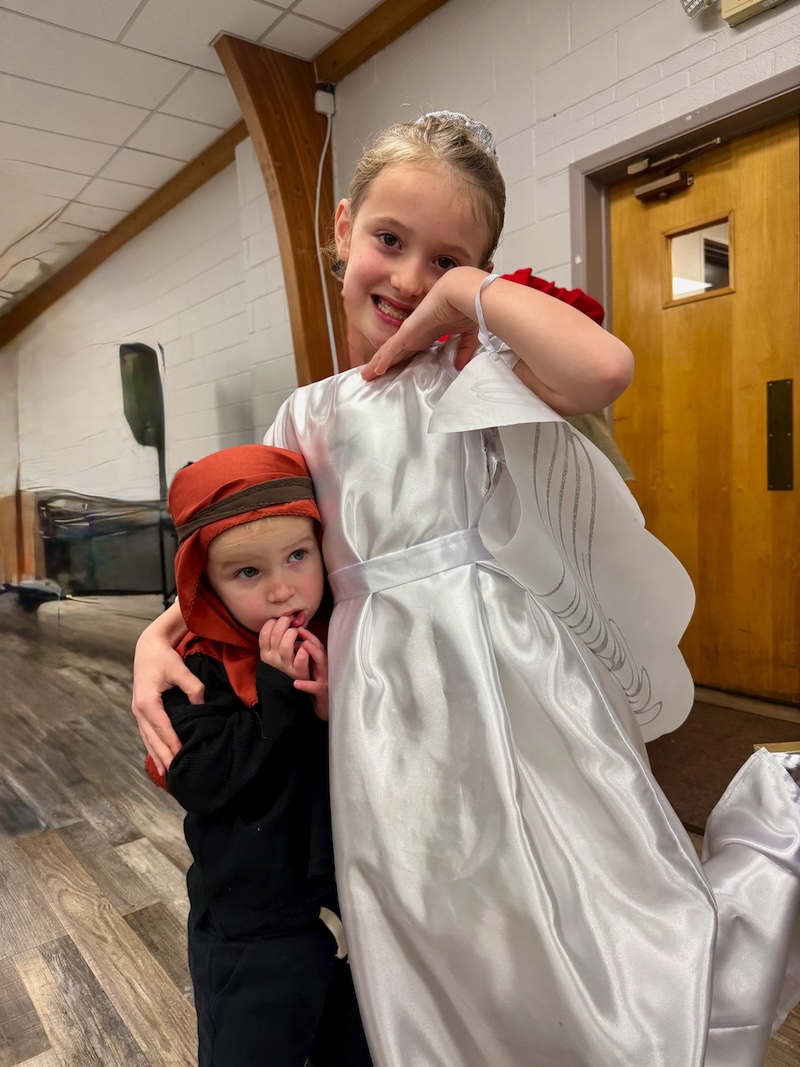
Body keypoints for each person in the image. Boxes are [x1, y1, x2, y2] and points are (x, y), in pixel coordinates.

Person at [133, 112, 800, 1066]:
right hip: (380, 701)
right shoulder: (307, 409)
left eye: (444, 258)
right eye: (388, 241)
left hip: (507, 680)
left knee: (572, 895)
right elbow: (260, 556)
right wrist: (159, 633)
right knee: (425, 912)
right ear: (341, 227)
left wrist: (469, 298)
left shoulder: (491, 371)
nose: (407, 278)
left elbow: (605, 366)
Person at [147, 443, 372, 1067]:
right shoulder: (195, 667)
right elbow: (201, 777)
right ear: (204, 585)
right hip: (250, 922)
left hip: (343, 903)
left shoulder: (345, 638)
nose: (281, 589)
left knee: (352, 1041)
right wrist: (278, 690)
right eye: (246, 573)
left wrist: (332, 710)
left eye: (298, 556)